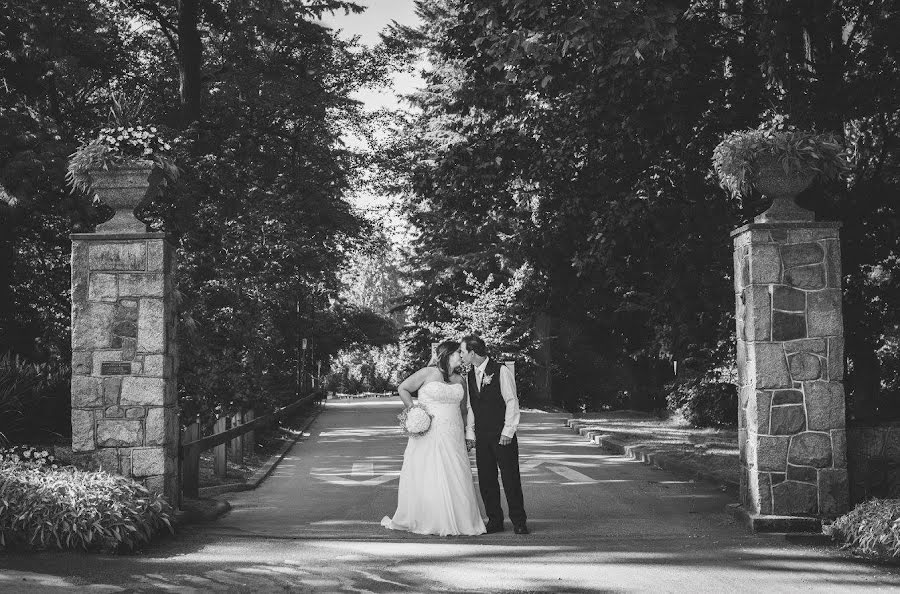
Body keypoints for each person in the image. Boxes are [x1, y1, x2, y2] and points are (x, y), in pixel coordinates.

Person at [381, 340, 486, 536]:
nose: (461, 357)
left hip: (453, 434)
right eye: (457, 353)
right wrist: (414, 411)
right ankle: (430, 518)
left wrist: (468, 434)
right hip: (429, 432)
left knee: (455, 474)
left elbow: (463, 411)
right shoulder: (427, 373)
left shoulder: (460, 380)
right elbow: (403, 388)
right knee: (429, 473)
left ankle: (461, 520)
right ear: (447, 354)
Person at [460, 335, 529, 534]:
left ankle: (519, 521)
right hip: (482, 436)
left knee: (510, 478)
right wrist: (470, 433)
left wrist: (508, 430)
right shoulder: (470, 375)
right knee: (486, 480)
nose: (462, 356)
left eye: (463, 352)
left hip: (502, 435)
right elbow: (471, 406)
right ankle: (495, 520)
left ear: (472, 353)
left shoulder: (501, 371)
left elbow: (511, 401)